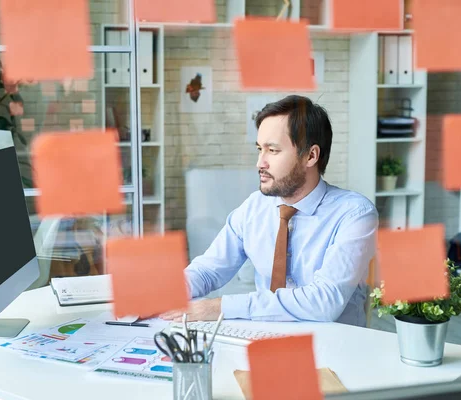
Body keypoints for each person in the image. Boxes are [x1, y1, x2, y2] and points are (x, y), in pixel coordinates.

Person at [160, 95, 378, 327]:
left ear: (310, 156)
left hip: (334, 348)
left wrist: (219, 307)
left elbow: (324, 303)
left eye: (272, 150)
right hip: (264, 339)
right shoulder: (254, 207)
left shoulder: (355, 214)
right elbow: (208, 270)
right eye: (259, 149)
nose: (260, 163)